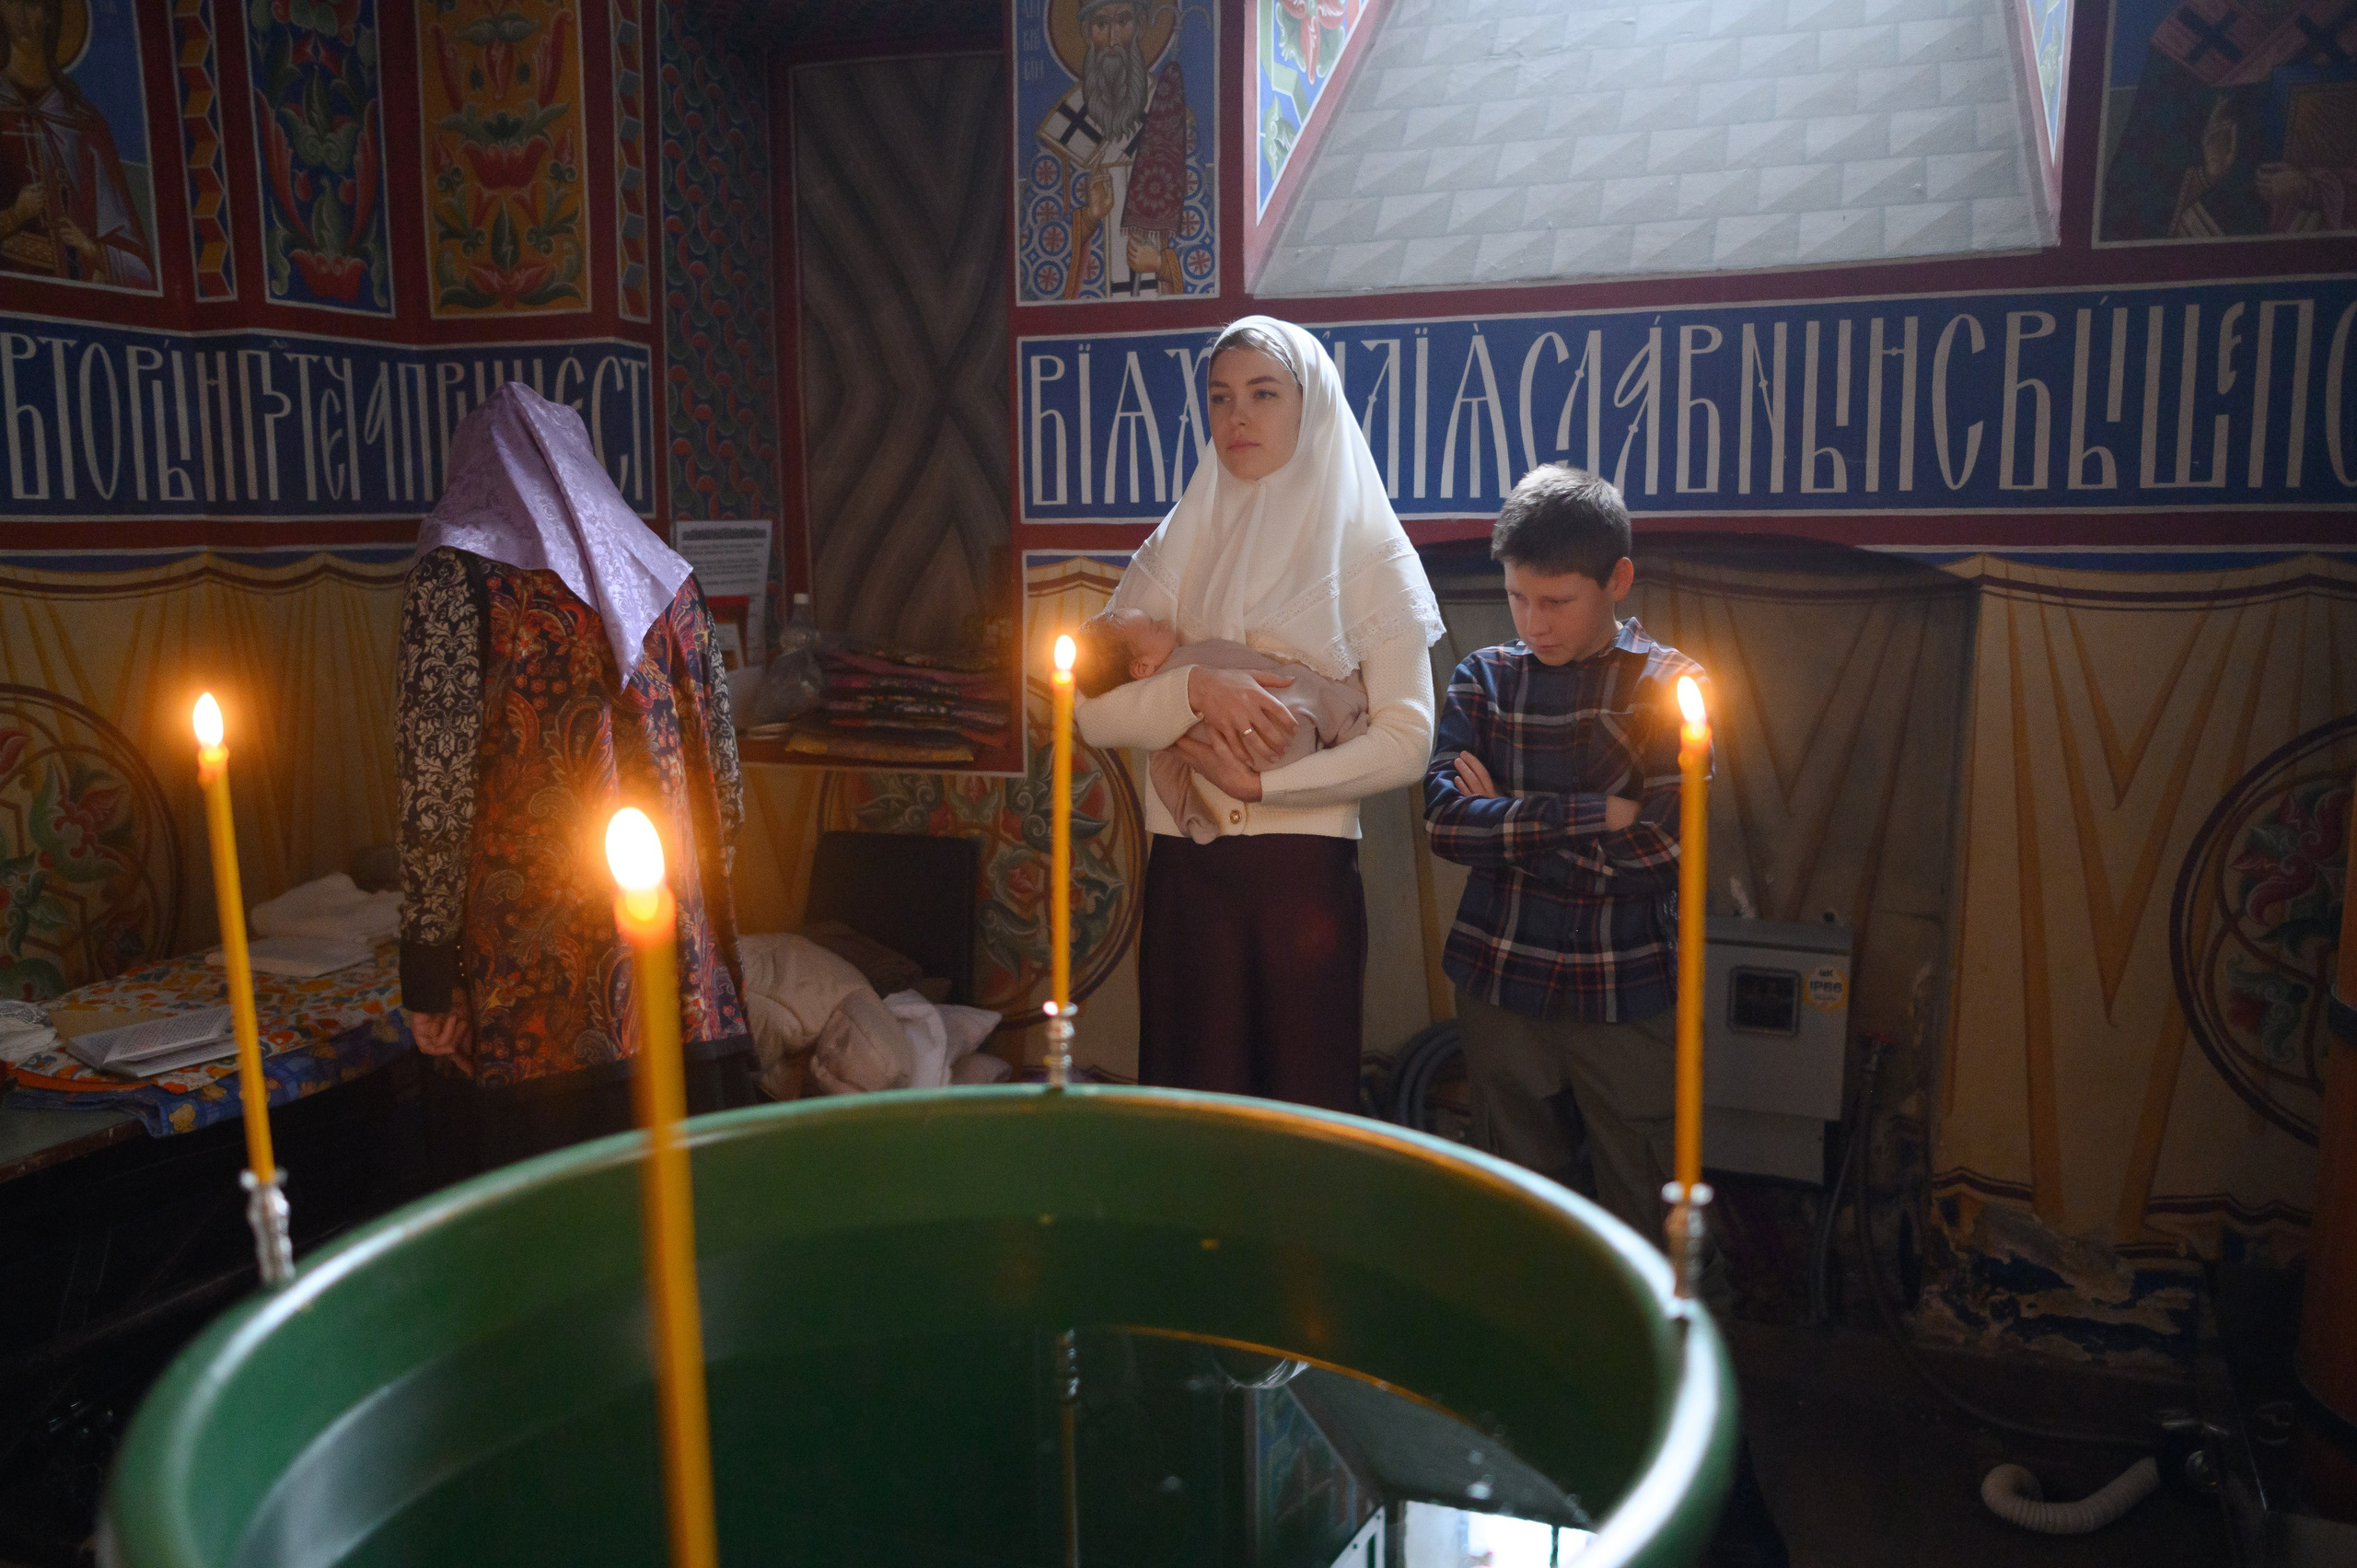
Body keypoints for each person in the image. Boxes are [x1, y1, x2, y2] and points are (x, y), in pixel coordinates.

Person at [1076, 316, 1443, 1111]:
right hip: (1188, 876)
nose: (1237, 416)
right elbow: (1091, 712)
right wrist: (1197, 689)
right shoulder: (1179, 541)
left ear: (1308, 405)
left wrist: (1267, 786)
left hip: (1299, 887)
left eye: (1263, 394)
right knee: (1190, 1116)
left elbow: (1409, 741)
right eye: (1220, 397)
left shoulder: (1370, 550)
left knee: (1296, 1120)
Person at [396, 381, 748, 1167]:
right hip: (688, 998)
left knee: (566, 1257)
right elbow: (727, 794)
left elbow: (435, 795)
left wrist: (428, 970)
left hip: (536, 1017)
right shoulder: (672, 584)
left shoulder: (459, 583)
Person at [1422, 465, 1709, 1245]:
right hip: (1500, 979)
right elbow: (1447, 824)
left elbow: (1662, 850)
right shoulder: (1483, 678)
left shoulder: (1672, 687)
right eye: (1518, 597)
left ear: (1617, 579)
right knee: (1517, 1214)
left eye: (1557, 600)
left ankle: (1653, 1364)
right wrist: (1588, 815)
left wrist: (1506, 826)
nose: (1535, 622)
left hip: (1627, 986)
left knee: (1647, 1208)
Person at [1070, 605, 1370, 846]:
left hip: (1265, 762)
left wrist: (1193, 817)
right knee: (1304, 685)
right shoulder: (1188, 664)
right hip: (1285, 722)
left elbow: (1167, 776)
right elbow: (1252, 661)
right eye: (1154, 626)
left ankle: (1341, 726)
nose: (1164, 620)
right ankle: (1349, 722)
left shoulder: (1156, 722)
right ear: (1140, 667)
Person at [0, 0, 157, 287]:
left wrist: (91, 249)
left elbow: (141, 267)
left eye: (32, 4)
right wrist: (15, 215)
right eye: (11, 2)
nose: (21, 14)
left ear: (50, 15)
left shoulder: (84, 125)